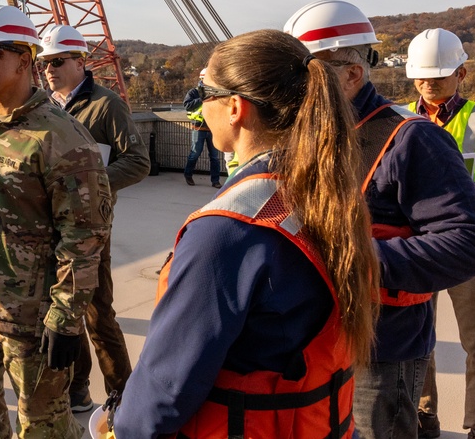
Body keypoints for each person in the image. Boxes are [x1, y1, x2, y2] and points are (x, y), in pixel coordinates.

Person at [114, 29, 380, 438]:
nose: (200, 105)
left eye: (204, 92)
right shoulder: (328, 194)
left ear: (235, 107)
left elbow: (163, 390)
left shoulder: (226, 231)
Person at [284, 0, 475, 439]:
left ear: (352, 73)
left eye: (308, 76)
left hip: (384, 346)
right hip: (322, 336)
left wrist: (354, 258)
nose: (297, 89)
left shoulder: (410, 138)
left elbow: (473, 242)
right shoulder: (315, 135)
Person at [0, 5, 112, 438]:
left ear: (25, 59)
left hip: (32, 320)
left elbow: (84, 238)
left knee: (44, 428)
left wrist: (66, 317)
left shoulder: (61, 136)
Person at [37, 23, 150, 411]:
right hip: (52, 227)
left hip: (90, 229)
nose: (49, 69)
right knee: (64, 312)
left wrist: (91, 185)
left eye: (57, 61)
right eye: (44, 63)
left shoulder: (106, 105)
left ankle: (125, 398)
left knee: (98, 315)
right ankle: (78, 390)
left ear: (80, 61)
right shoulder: (45, 106)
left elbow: (138, 161)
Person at [404, 28, 475, 439]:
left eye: (439, 75)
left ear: (462, 72)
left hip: (471, 248)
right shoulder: (397, 118)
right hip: (417, 245)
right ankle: (425, 417)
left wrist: (462, 193)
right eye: (422, 76)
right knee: (418, 340)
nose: (429, 84)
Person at [183, 69, 222, 188]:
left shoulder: (214, 92)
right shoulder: (193, 92)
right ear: (202, 79)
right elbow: (187, 105)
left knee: (214, 157)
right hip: (198, 128)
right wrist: (201, 99)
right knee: (195, 153)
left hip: (212, 128)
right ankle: (188, 174)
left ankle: (215, 181)